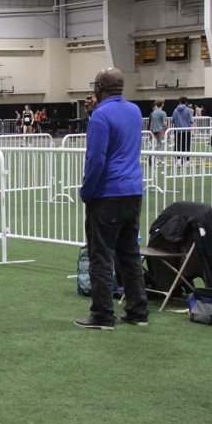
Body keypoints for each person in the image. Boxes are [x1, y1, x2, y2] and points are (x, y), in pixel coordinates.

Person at [76, 67, 148, 331]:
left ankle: (103, 315)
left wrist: (87, 192)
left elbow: (96, 159)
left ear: (98, 87)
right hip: (133, 191)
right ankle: (138, 311)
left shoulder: (100, 116)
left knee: (101, 256)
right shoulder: (134, 111)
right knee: (130, 254)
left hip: (107, 194)